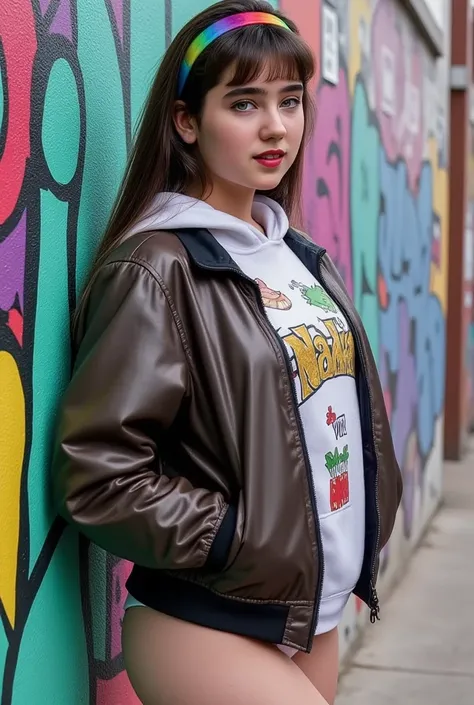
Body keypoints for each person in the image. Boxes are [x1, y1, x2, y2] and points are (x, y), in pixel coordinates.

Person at [51, 1, 403, 703]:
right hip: (207, 618)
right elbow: (97, 472)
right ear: (186, 121)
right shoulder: (158, 267)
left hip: (312, 611)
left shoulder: (302, 260)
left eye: (289, 100)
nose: (276, 126)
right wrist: (233, 538)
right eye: (244, 102)